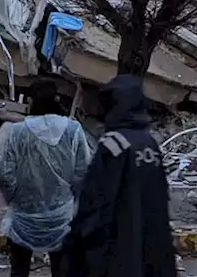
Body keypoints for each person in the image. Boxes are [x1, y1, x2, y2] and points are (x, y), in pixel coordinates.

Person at [65, 75, 176, 277]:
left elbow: (95, 203)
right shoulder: (148, 143)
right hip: (154, 251)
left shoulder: (113, 144)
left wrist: (79, 242)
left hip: (119, 252)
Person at [0, 81, 92, 277]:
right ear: (56, 99)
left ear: (30, 101)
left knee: (19, 270)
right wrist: (71, 200)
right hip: (62, 217)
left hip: (23, 217)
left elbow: (4, 176)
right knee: (62, 270)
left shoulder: (17, 132)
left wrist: (14, 201)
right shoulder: (74, 130)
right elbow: (84, 173)